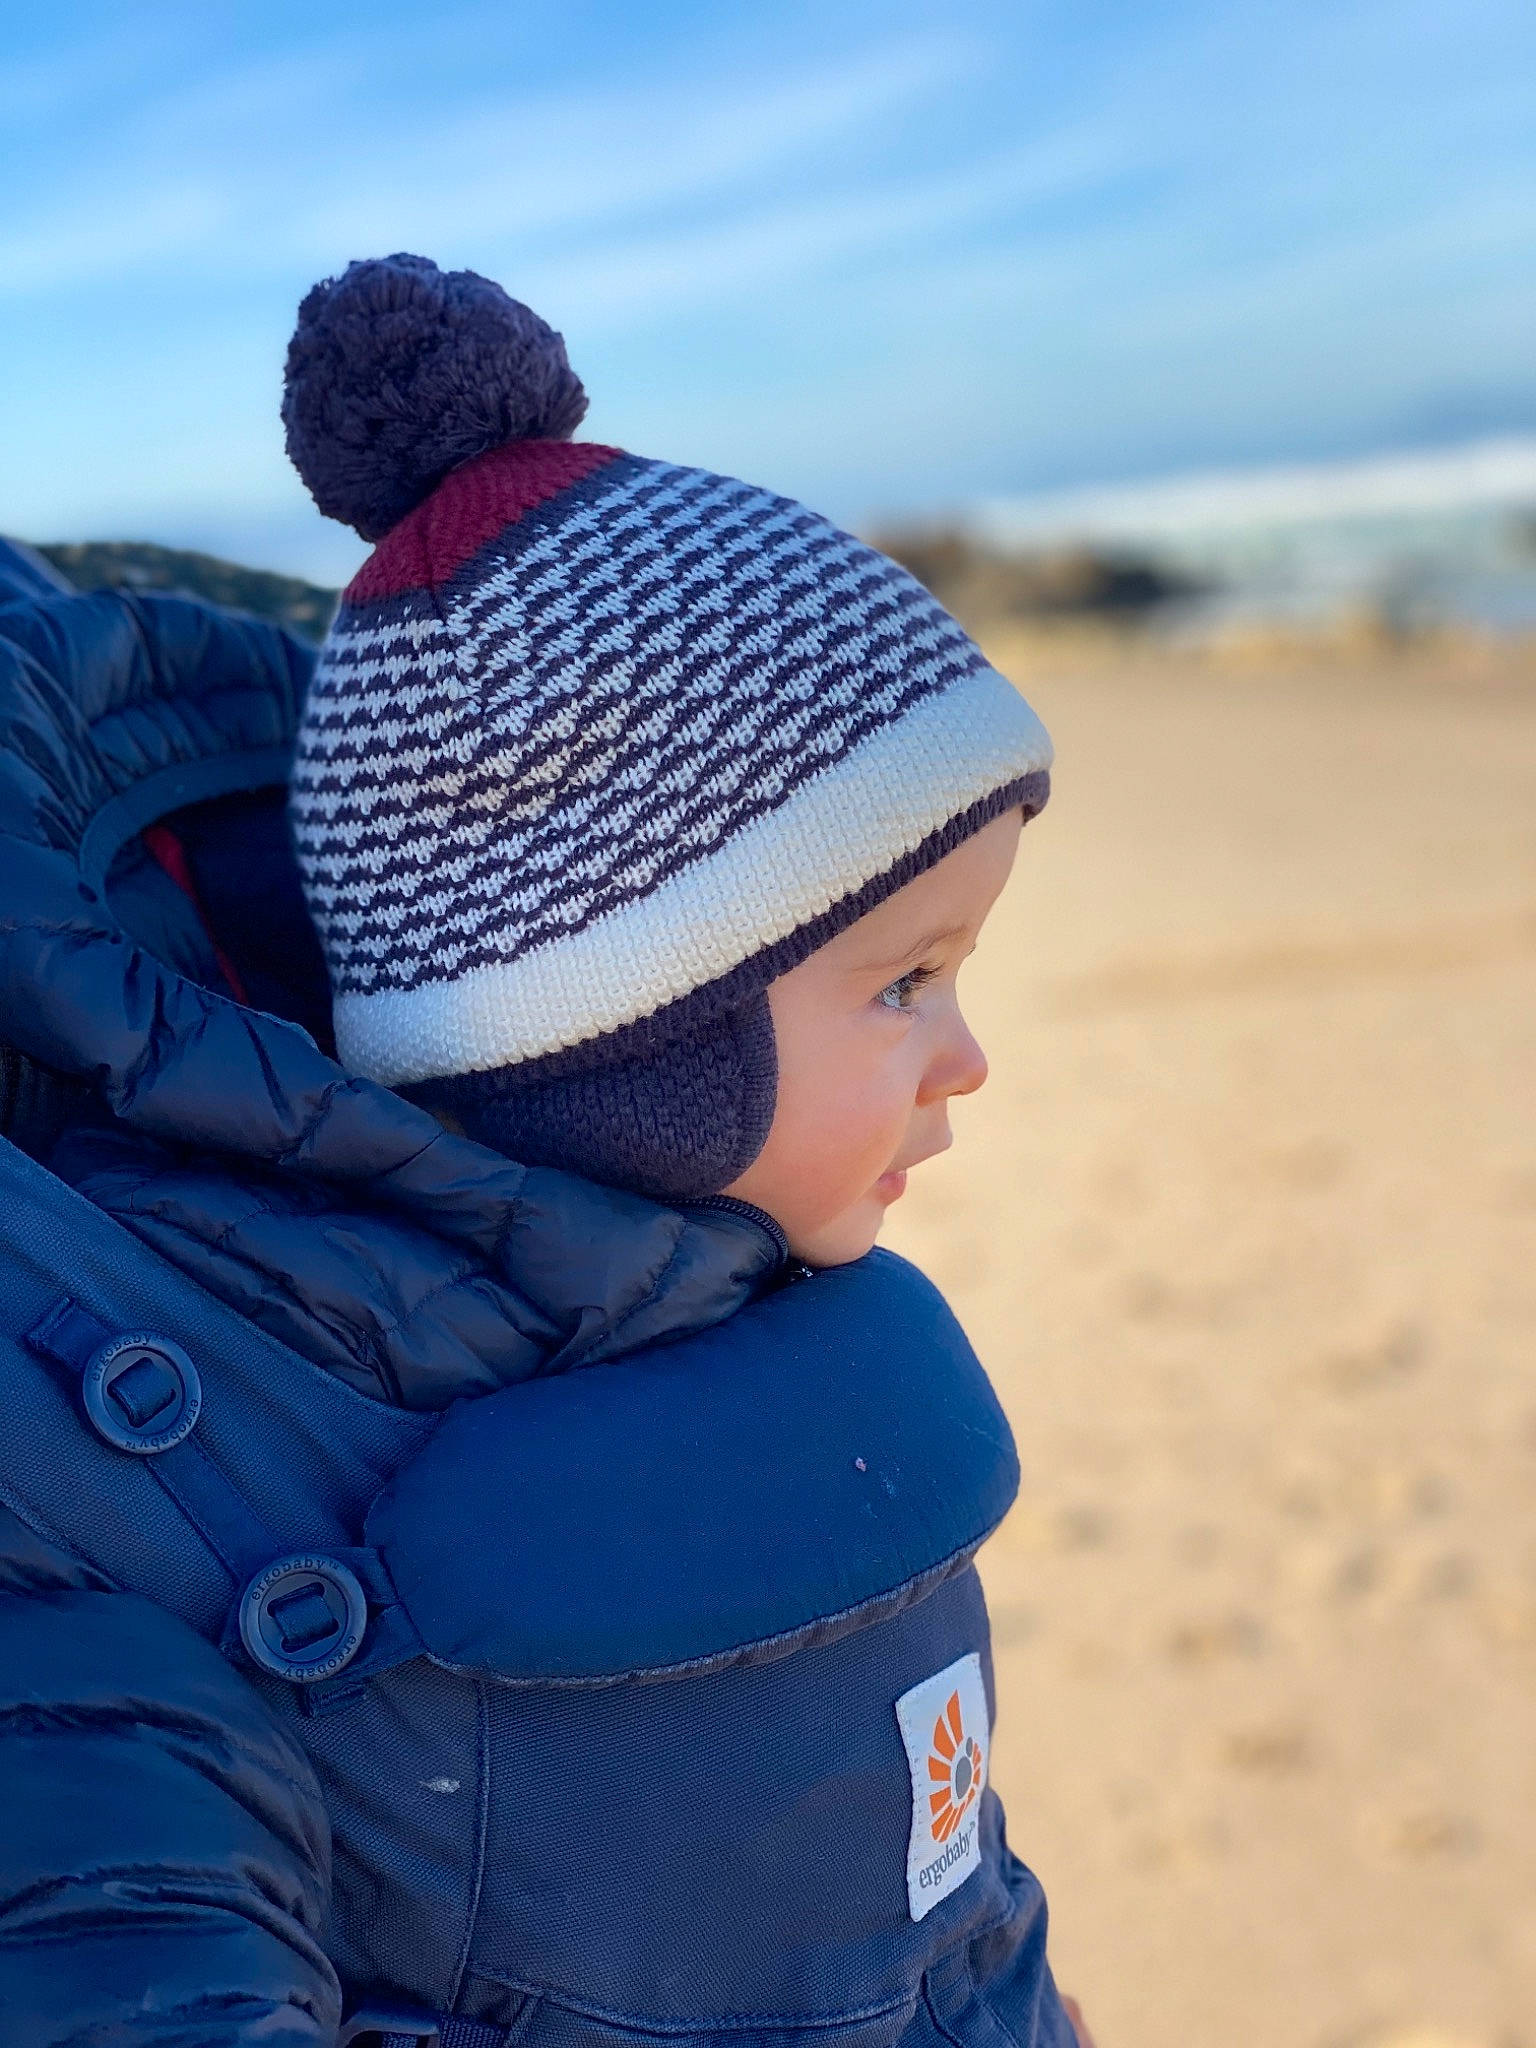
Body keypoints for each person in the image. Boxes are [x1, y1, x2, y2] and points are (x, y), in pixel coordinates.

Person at [0, 254, 1093, 2046]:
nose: (967, 1061)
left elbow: (952, 1911)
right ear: (618, 1039)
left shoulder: (745, 1320)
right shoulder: (191, 1462)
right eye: (904, 983)